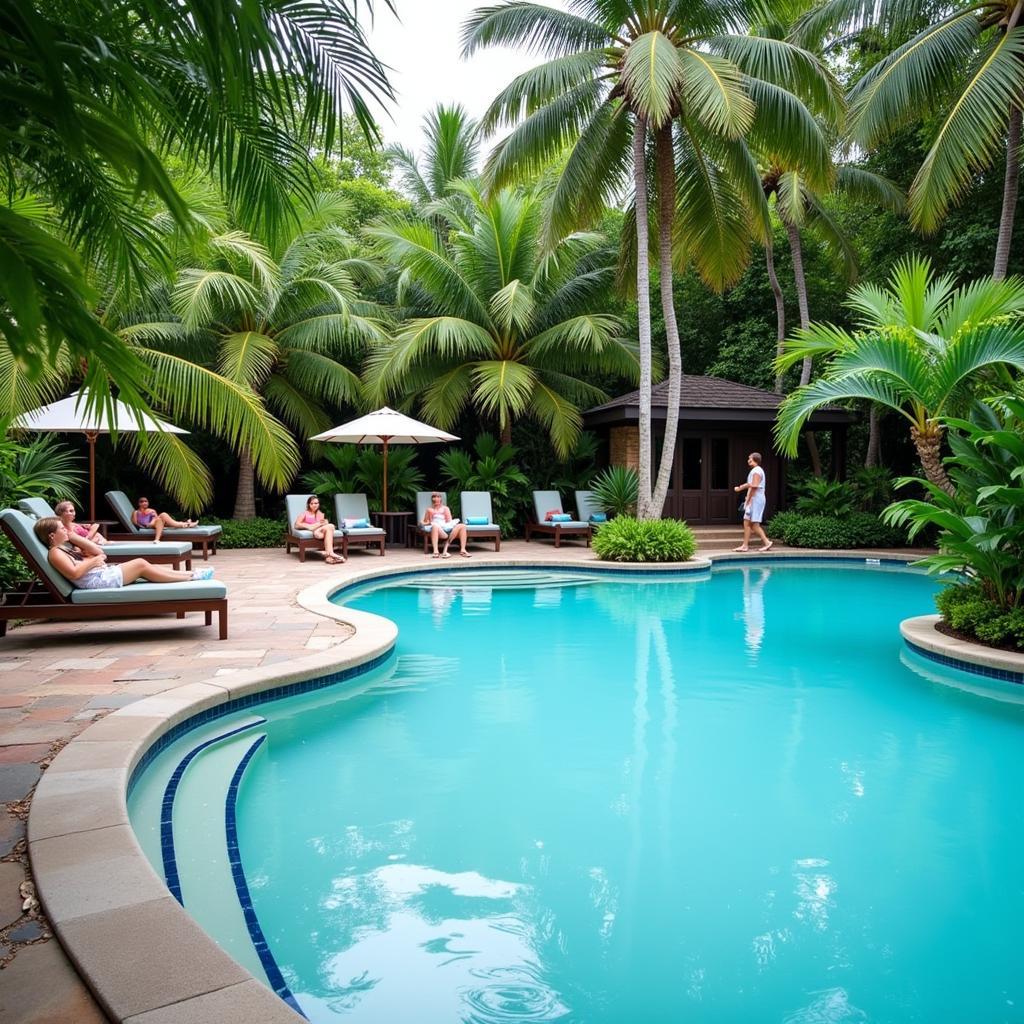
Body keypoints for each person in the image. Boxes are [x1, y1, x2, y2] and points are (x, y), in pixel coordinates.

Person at [33, 517, 214, 589]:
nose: (65, 529)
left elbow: (97, 550)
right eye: (61, 529)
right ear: (51, 535)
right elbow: (74, 573)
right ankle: (191, 578)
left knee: (149, 566)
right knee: (141, 564)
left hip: (100, 575)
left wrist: (73, 536)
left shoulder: (64, 547)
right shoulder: (55, 553)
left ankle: (191, 574)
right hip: (95, 581)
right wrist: (94, 561)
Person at [733, 452, 773, 553]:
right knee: (746, 523)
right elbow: (752, 485)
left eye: (750, 459)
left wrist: (743, 493)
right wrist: (747, 497)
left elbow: (754, 486)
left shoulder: (757, 471)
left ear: (754, 459)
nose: (748, 460)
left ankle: (767, 542)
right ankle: (745, 545)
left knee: (754, 525)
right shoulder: (755, 470)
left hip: (756, 500)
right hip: (753, 499)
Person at [293, 496, 345, 564]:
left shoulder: (320, 514)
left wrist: (324, 523)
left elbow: (323, 526)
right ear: (309, 504)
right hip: (316, 533)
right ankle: (331, 553)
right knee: (331, 526)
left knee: (330, 527)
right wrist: (309, 526)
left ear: (319, 504)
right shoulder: (305, 514)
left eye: (316, 503)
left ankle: (329, 557)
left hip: (320, 533)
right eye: (312, 503)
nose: (314, 505)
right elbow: (296, 525)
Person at [422, 491, 470, 558]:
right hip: (438, 530)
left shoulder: (445, 508)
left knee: (462, 526)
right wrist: (427, 522)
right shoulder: (429, 510)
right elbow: (425, 521)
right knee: (435, 526)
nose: (436, 501)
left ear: (440, 500)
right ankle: (436, 551)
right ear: (432, 501)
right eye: (435, 499)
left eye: (438, 498)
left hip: (446, 527)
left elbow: (449, 521)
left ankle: (463, 550)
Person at [132, 496, 196, 542]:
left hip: (155, 524)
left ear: (148, 503)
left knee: (163, 515)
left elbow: (156, 519)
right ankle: (187, 524)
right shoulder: (136, 512)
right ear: (139, 504)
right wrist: (144, 526)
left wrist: (152, 520)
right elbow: (135, 523)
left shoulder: (151, 510)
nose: (144, 503)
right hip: (146, 526)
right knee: (165, 518)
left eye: (146, 501)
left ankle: (186, 524)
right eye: (142, 502)